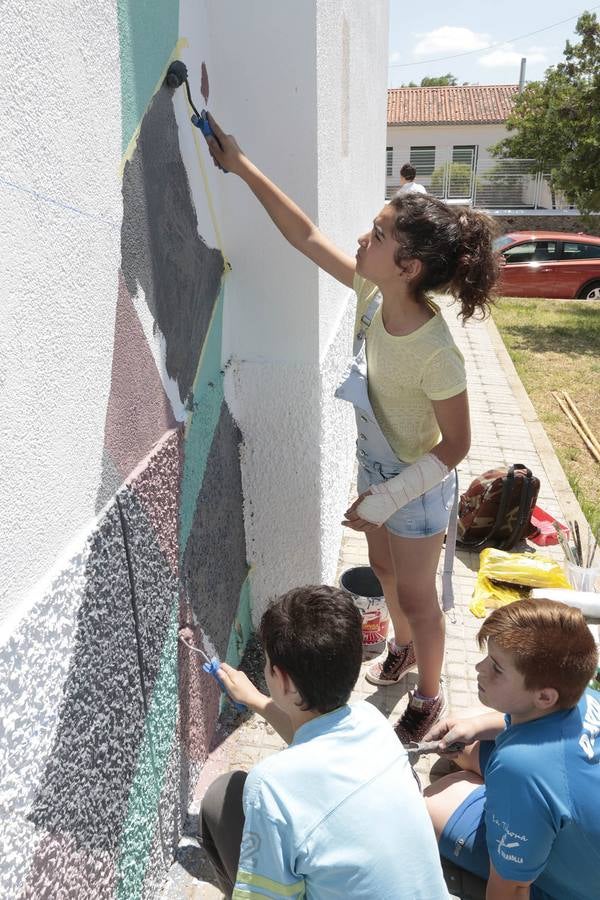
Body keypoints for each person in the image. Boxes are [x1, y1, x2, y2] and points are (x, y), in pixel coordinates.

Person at [204, 113, 499, 742]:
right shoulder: (372, 290)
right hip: (378, 469)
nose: (363, 239)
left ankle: (429, 694)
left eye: (379, 233)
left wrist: (384, 497)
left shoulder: (436, 351)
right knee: (385, 574)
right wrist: (242, 165)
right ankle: (401, 646)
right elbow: (306, 236)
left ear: (410, 266)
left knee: (420, 597)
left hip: (418, 485)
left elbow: (458, 446)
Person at [201, 585, 449, 899]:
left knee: (222, 796)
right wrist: (256, 700)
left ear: (285, 680)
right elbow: (315, 738)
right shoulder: (373, 723)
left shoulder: (270, 787)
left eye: (267, 665)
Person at [423, 599, 600, 900]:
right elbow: (530, 729)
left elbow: (513, 887)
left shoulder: (520, 767)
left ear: (545, 695)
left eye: (496, 667)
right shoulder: (582, 691)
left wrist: (512, 797)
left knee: (433, 799)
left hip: (582, 887)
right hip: (567, 796)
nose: (479, 669)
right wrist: (477, 726)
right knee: (464, 739)